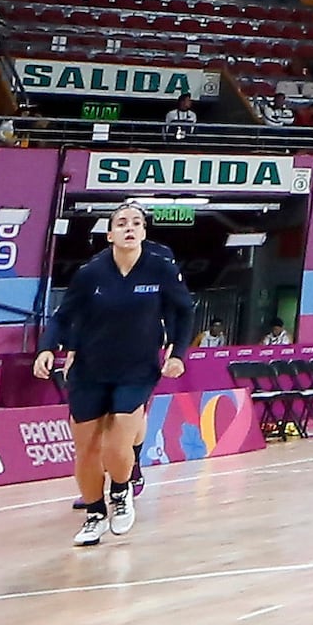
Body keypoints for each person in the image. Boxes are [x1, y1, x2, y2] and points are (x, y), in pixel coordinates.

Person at [41, 207, 200, 545]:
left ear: (144, 233)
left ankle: (121, 489)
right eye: (122, 224)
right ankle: (95, 514)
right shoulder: (90, 273)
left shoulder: (160, 269)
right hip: (89, 369)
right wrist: (46, 348)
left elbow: (183, 311)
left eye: (137, 224)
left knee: (117, 444)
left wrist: (177, 353)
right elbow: (63, 316)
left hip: (137, 369)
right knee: (86, 449)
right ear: (109, 234)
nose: (130, 228)